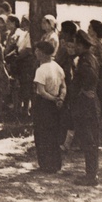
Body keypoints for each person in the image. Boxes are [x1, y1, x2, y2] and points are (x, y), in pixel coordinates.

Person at [67, 30, 101, 186]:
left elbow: (90, 77)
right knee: (90, 139)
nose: (74, 47)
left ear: (81, 45)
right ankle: (91, 173)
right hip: (89, 103)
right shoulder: (90, 58)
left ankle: (91, 176)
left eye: (76, 44)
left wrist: (82, 90)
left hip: (85, 105)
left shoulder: (85, 60)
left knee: (89, 140)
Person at [32, 39, 65, 173]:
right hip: (56, 104)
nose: (36, 53)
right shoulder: (57, 66)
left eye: (37, 51)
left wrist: (53, 99)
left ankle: (46, 164)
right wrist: (60, 98)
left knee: (42, 134)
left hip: (44, 104)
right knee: (53, 133)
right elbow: (63, 86)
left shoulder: (41, 70)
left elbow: (41, 91)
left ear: (42, 53)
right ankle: (56, 163)